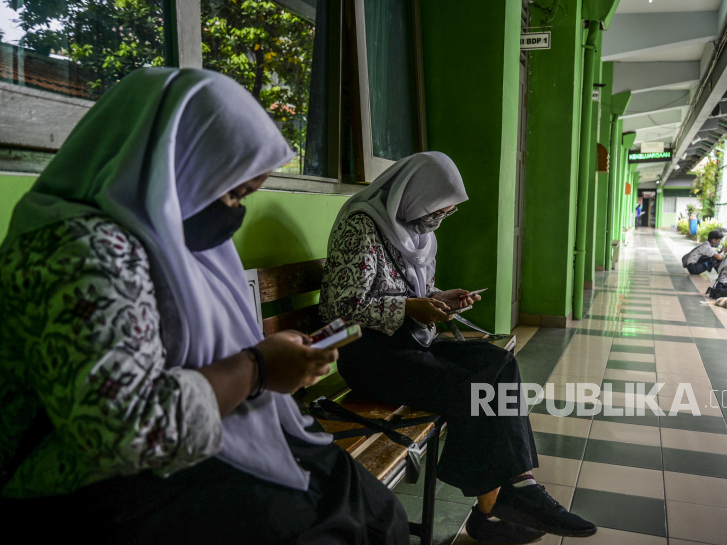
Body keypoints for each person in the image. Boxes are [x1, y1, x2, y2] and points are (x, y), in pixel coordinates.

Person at [0, 68, 408, 544]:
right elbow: (124, 433)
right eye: (232, 192)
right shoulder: (79, 249)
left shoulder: (172, 233)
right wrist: (257, 368)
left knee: (373, 510)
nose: (235, 214)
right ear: (172, 165)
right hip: (91, 487)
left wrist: (272, 359)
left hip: (196, 445)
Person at [318, 152, 597, 543]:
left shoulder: (415, 232)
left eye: (446, 213)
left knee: (497, 362)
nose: (439, 219)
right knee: (475, 392)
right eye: (438, 209)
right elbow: (340, 308)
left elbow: (410, 290)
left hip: (413, 342)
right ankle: (500, 505)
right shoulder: (361, 227)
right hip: (369, 357)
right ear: (414, 193)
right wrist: (411, 307)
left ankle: (516, 490)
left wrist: (439, 298)